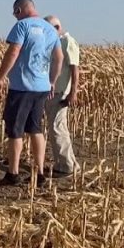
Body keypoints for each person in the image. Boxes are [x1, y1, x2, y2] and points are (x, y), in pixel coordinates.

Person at [0, 0, 63, 187]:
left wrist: (0, 78)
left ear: (19, 10)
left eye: (15, 13)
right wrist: (52, 82)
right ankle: (39, 173)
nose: (15, 17)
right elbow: (59, 57)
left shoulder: (22, 26)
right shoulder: (50, 29)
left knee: (15, 131)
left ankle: (13, 174)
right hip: (41, 88)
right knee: (35, 129)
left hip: (21, 87)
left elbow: (13, 52)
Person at [43, 15, 81, 177]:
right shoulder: (57, 43)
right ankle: (67, 163)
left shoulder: (68, 42)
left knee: (57, 128)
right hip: (54, 92)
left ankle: (67, 166)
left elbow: (75, 69)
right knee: (56, 128)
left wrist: (73, 92)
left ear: (57, 28)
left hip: (61, 93)